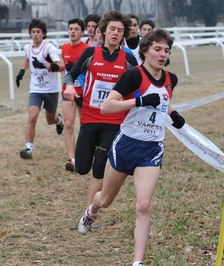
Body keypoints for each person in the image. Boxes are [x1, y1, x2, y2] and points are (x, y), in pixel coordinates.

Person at [77, 28, 185, 266]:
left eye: (166, 50)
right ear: (145, 51)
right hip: (126, 145)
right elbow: (107, 107)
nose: (162, 54)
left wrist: (174, 114)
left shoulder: (171, 79)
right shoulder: (133, 76)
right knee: (105, 199)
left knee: (144, 205)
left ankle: (137, 262)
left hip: (151, 149)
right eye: (157, 49)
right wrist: (139, 101)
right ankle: (91, 211)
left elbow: (164, 100)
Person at [64, 10, 138, 228]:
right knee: (82, 168)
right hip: (89, 119)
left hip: (114, 123)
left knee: (99, 169)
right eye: (112, 29)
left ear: (123, 35)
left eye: (120, 30)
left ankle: (89, 216)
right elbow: (71, 73)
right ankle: (90, 208)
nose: (115, 33)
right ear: (103, 31)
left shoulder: (128, 59)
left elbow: (140, 83)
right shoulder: (90, 54)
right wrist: (69, 85)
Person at [16, 18, 64, 160]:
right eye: (33, 32)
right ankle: (28, 148)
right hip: (35, 89)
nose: (35, 34)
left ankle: (59, 120)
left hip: (50, 89)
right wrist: (21, 71)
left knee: (50, 120)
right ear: (30, 34)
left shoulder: (49, 48)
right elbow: (28, 59)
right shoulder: (27, 48)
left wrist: (43, 66)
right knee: (32, 116)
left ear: (43, 34)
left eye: (38, 32)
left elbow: (60, 66)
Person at [60, 18, 89, 172]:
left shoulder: (87, 49)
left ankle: (84, 155)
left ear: (82, 32)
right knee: (68, 124)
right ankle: (72, 159)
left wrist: (77, 70)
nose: (72, 31)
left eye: (76, 29)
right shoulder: (64, 48)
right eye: (70, 28)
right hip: (68, 90)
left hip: (84, 92)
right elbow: (63, 68)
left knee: (85, 125)